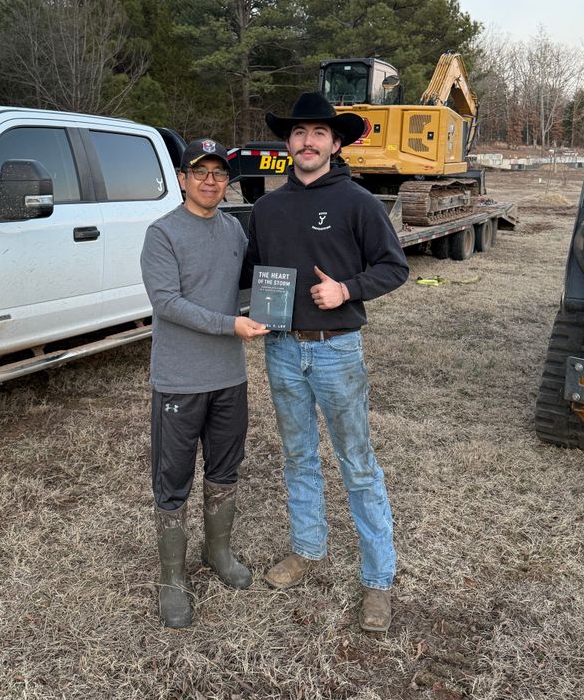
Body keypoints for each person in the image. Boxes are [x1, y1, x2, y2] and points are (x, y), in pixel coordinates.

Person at [244, 93, 409, 632]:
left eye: (318, 133)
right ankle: (307, 548)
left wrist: (347, 291)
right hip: (282, 349)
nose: (307, 141)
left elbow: (394, 266)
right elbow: (248, 269)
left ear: (335, 144)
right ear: (287, 143)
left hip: (336, 349)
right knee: (297, 456)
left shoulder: (358, 203)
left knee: (356, 464)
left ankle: (377, 578)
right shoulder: (266, 209)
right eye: (298, 133)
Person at [141, 138, 268, 629]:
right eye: (201, 172)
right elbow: (167, 302)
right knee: (172, 480)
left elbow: (246, 282)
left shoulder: (234, 228)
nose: (211, 181)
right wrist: (229, 325)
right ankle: (172, 577)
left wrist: (280, 296)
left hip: (228, 376)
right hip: (179, 379)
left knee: (225, 468)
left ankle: (219, 552)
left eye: (219, 173)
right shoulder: (163, 233)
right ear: (182, 179)